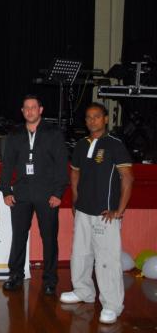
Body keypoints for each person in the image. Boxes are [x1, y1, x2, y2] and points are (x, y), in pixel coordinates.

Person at [60, 102, 133, 325]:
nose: (92, 120)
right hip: (83, 211)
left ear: (106, 119)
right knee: (80, 255)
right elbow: (75, 174)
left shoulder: (115, 145)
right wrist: (75, 200)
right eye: (89, 117)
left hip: (105, 214)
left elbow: (127, 178)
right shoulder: (81, 145)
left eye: (97, 116)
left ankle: (112, 305)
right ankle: (83, 291)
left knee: (107, 261)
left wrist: (119, 210)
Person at [0, 95, 68, 294]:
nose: (30, 111)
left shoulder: (53, 133)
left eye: (33, 107)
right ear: (22, 111)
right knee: (19, 237)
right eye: (26, 108)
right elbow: (7, 165)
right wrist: (6, 190)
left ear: (41, 110)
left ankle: (50, 281)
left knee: (49, 238)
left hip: (47, 195)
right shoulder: (15, 135)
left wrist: (58, 193)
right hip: (21, 194)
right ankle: (15, 275)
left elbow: (61, 165)